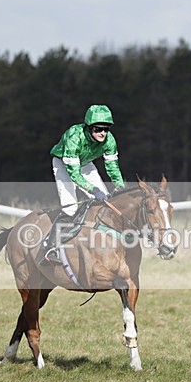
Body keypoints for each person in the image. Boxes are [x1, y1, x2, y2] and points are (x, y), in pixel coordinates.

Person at [40, 104, 126, 265]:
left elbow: (113, 167)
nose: (103, 133)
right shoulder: (74, 135)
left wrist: (120, 187)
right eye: (99, 129)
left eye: (106, 129)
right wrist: (92, 189)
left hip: (85, 164)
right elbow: (73, 173)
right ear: (89, 127)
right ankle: (49, 247)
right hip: (64, 165)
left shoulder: (110, 140)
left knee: (106, 203)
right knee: (70, 208)